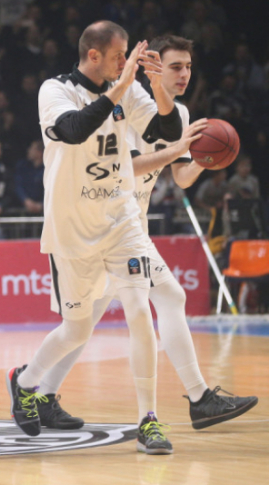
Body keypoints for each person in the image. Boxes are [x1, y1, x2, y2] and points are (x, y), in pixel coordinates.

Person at [35, 34, 258, 432]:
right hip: (101, 220)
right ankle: (194, 400)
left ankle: (42, 393)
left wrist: (208, 158)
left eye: (188, 67)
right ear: (152, 67)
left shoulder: (180, 114)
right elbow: (128, 166)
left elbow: (182, 176)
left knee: (105, 315)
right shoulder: (127, 102)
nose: (183, 75)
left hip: (129, 226)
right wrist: (175, 150)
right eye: (174, 66)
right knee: (113, 314)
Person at [5, 21, 183, 455]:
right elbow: (74, 130)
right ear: (93, 55)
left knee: (140, 312)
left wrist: (157, 87)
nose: (126, 63)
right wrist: (120, 88)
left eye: (127, 55)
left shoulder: (128, 89)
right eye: (120, 55)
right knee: (77, 329)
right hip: (71, 228)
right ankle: (25, 382)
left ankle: (148, 420)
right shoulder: (55, 90)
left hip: (121, 220)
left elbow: (167, 130)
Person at [15, 140, 45, 214]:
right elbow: (18, 185)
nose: (29, 151)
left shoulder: (47, 169)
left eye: (32, 148)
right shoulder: (23, 167)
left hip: (43, 210)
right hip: (23, 208)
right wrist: (26, 200)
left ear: (40, 152)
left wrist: (42, 204)